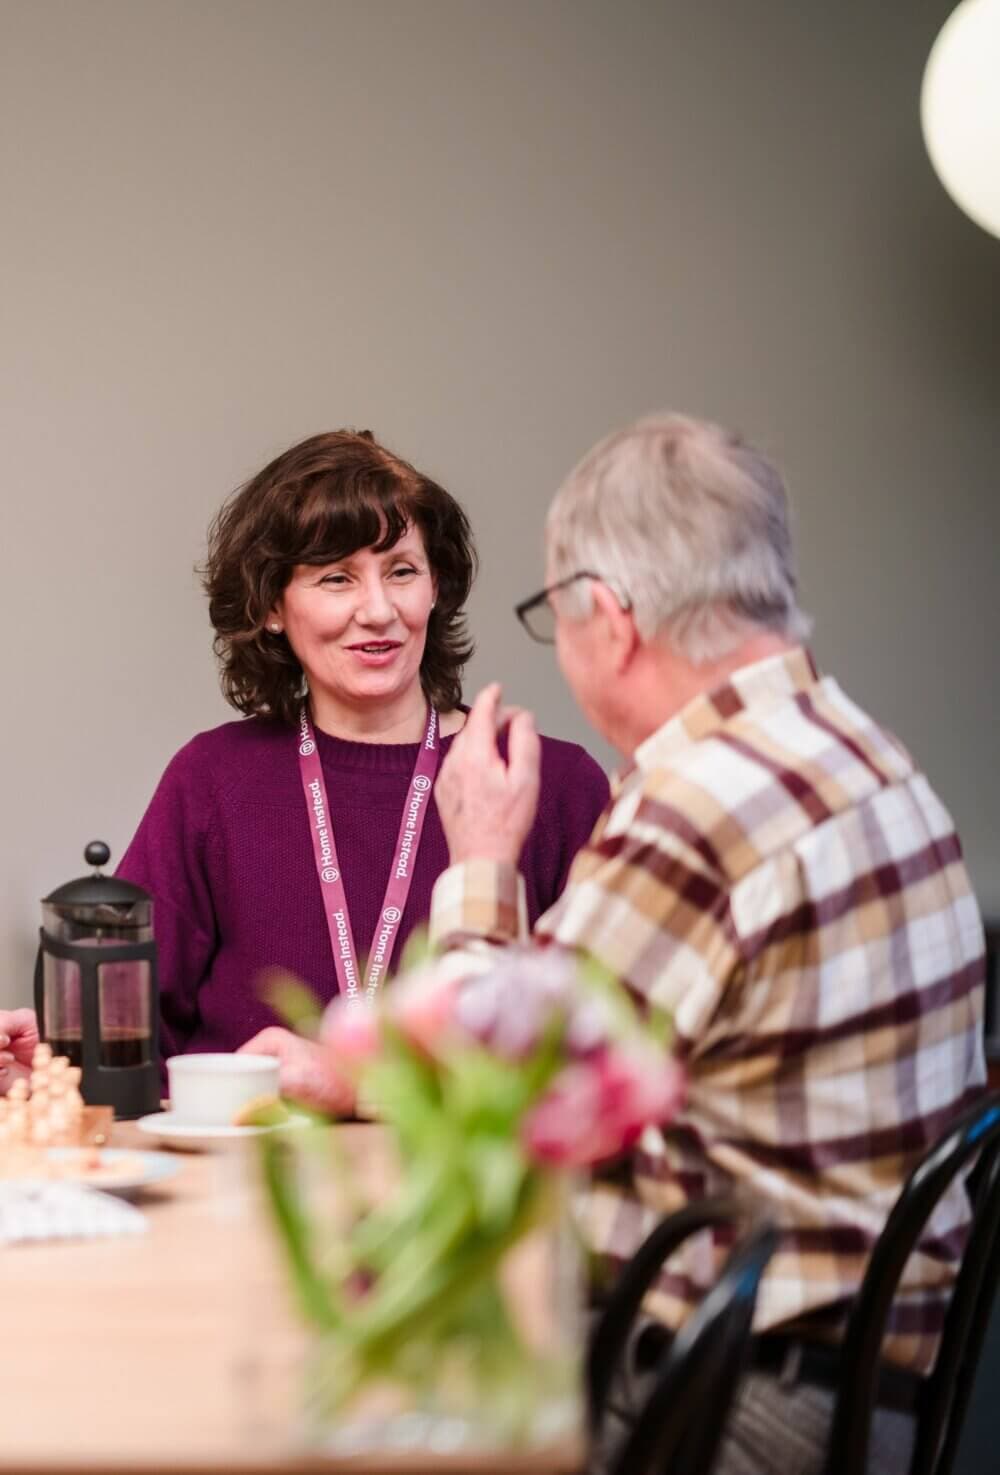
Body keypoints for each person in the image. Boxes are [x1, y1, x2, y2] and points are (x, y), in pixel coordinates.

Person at [424, 413, 986, 1474]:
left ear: (610, 616)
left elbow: (481, 1109)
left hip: (734, 1402)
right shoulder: (863, 750)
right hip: (875, 1388)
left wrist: (482, 861)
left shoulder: (701, 806)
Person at [0, 430, 609, 1105]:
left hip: (471, 1203)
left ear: (436, 586)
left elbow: (604, 1065)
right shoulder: (212, 780)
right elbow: (135, 1049)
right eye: (336, 577)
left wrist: (354, 1081)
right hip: (232, 1196)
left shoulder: (546, 783)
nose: (378, 609)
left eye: (402, 570)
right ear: (269, 607)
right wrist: (57, 1074)